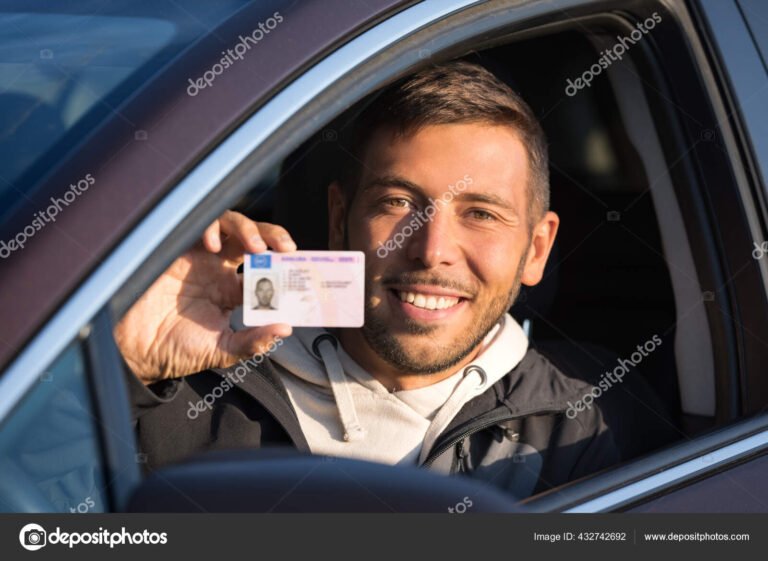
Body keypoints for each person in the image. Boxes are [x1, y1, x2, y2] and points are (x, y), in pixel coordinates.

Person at [114, 61, 620, 499]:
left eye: (481, 214)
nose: (432, 250)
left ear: (536, 249)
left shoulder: (573, 430)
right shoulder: (184, 385)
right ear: (339, 220)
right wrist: (125, 362)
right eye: (397, 203)